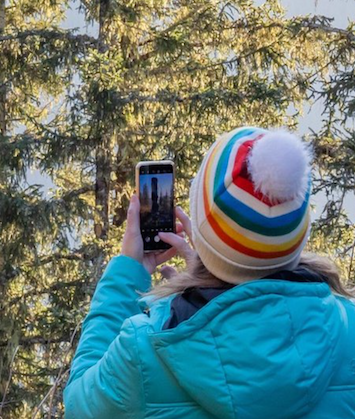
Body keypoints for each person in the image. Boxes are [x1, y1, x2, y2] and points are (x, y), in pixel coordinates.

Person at [64, 127, 355, 419]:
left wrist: (128, 273)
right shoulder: (348, 327)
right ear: (298, 234)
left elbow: (79, 404)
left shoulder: (141, 351)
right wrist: (206, 278)